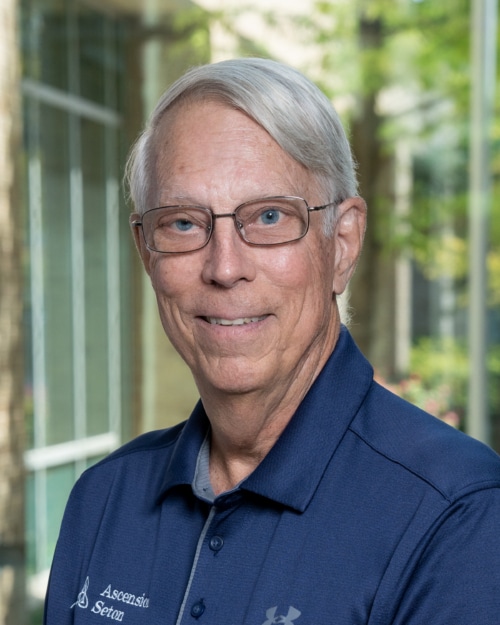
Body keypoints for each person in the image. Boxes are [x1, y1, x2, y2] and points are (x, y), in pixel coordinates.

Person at [44, 58, 500, 625]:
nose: (224, 267)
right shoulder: (103, 500)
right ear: (146, 252)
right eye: (183, 223)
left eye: (268, 217)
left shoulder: (457, 514)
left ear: (343, 243)